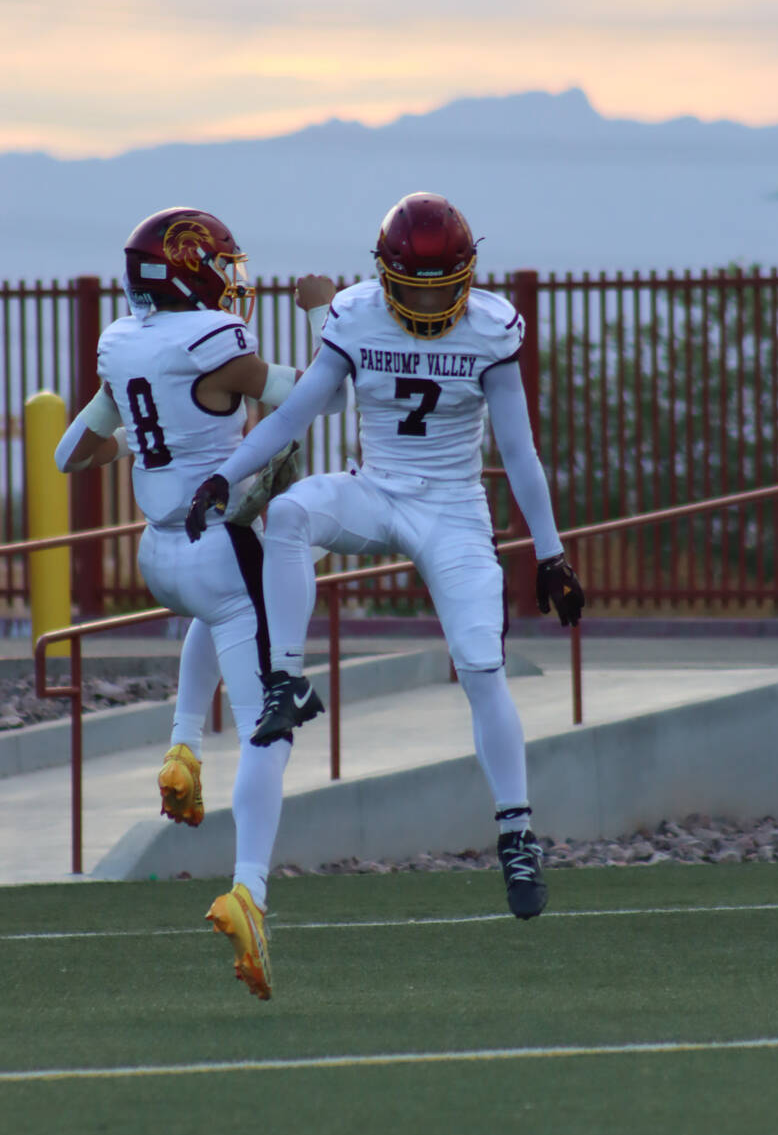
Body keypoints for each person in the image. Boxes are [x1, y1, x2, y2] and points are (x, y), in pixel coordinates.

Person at [185, 191, 585, 920]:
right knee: (291, 513)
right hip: (379, 488)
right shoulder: (356, 314)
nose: (427, 304)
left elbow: (520, 452)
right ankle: (286, 682)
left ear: (466, 275)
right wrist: (228, 473)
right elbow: (301, 408)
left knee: (482, 667)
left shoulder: (489, 329)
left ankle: (517, 834)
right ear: (382, 276)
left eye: (441, 288)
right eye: (411, 287)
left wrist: (551, 553)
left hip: (454, 508)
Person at [55, 205, 339, 999]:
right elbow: (317, 395)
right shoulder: (216, 343)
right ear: (191, 268)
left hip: (161, 556)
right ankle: (249, 891)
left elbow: (69, 451)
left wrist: (148, 446)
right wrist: (320, 309)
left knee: (220, 621)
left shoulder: (121, 342)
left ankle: (182, 746)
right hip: (220, 548)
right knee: (269, 731)